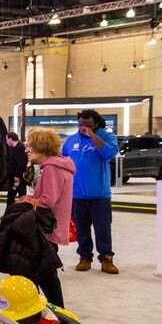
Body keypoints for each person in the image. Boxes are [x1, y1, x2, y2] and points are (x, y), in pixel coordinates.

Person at [16, 129, 75, 308]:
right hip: (50, 229)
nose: (26, 149)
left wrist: (26, 200)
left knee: (44, 276)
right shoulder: (58, 166)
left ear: (41, 147)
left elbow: (48, 201)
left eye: (30, 145)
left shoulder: (52, 168)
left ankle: (55, 316)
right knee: (44, 274)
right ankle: (52, 314)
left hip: (45, 230)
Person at [62, 109, 119, 274]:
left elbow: (109, 153)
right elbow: (63, 159)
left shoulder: (107, 136)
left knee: (103, 228)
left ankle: (106, 259)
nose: (83, 128)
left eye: (87, 125)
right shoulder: (71, 140)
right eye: (80, 125)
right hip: (77, 194)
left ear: (96, 124)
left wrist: (92, 136)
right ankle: (85, 257)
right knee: (81, 229)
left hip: (100, 195)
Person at [5, 131, 28, 208]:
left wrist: (17, 176)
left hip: (18, 178)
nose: (6, 141)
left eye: (7, 139)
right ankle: (8, 214)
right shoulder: (14, 148)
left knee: (21, 197)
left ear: (10, 139)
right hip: (14, 178)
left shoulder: (20, 148)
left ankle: (21, 213)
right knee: (11, 197)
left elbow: (20, 164)